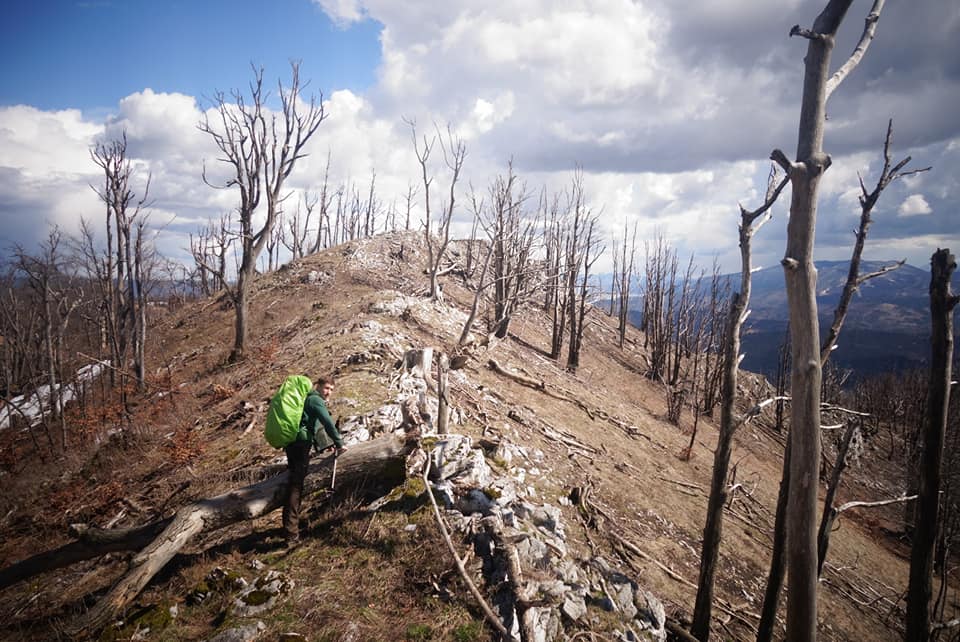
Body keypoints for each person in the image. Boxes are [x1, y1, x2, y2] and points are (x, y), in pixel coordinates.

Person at [282, 376, 346, 545]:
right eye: (326, 388)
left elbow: (314, 425)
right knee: (295, 486)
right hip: (300, 443)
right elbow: (327, 423)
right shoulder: (316, 400)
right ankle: (291, 535)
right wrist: (339, 443)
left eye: (331, 389)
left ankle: (291, 528)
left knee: (294, 482)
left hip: (292, 442)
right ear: (318, 386)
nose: (329, 392)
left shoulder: (308, 399)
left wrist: (325, 446)